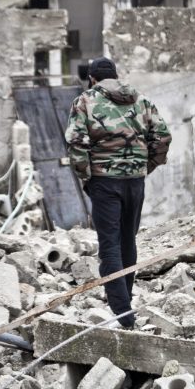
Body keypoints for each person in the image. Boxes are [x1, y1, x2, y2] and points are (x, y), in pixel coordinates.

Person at [65, 57, 172, 327]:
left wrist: (85, 177)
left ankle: (122, 312)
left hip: (104, 181)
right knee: (128, 241)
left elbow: (77, 143)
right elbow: (162, 137)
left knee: (110, 245)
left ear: (92, 78)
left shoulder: (85, 101)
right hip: (134, 182)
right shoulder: (142, 101)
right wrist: (144, 167)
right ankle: (125, 301)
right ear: (116, 75)